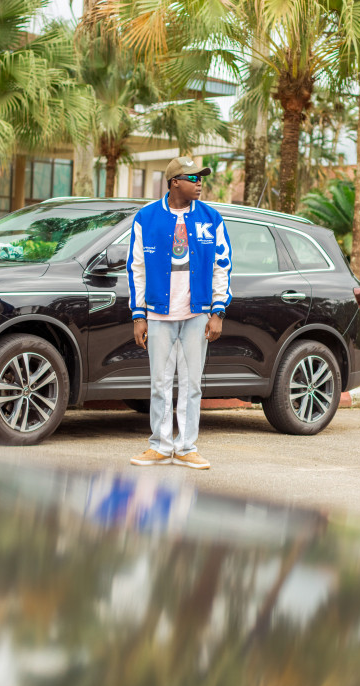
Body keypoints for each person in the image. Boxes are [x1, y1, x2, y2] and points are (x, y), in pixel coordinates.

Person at [127, 156, 232, 470]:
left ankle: (186, 448)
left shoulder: (211, 218)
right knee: (159, 383)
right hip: (158, 314)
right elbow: (137, 269)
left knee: (191, 384)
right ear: (174, 182)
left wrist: (218, 312)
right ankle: (159, 445)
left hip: (196, 314)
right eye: (192, 178)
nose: (199, 183)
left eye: (201, 178)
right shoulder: (146, 218)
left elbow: (221, 267)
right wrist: (138, 315)